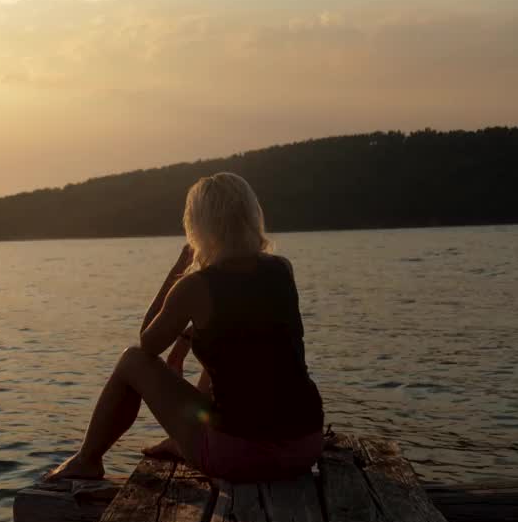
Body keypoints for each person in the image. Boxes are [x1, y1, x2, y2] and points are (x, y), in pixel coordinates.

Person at [47, 172, 324, 482]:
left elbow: (147, 343)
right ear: (251, 215)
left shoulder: (195, 287)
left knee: (131, 359)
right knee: (232, 359)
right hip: (306, 446)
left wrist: (179, 268)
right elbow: (247, 340)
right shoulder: (282, 268)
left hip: (244, 458)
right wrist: (188, 339)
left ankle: (87, 460)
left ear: (198, 227)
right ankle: (186, 441)